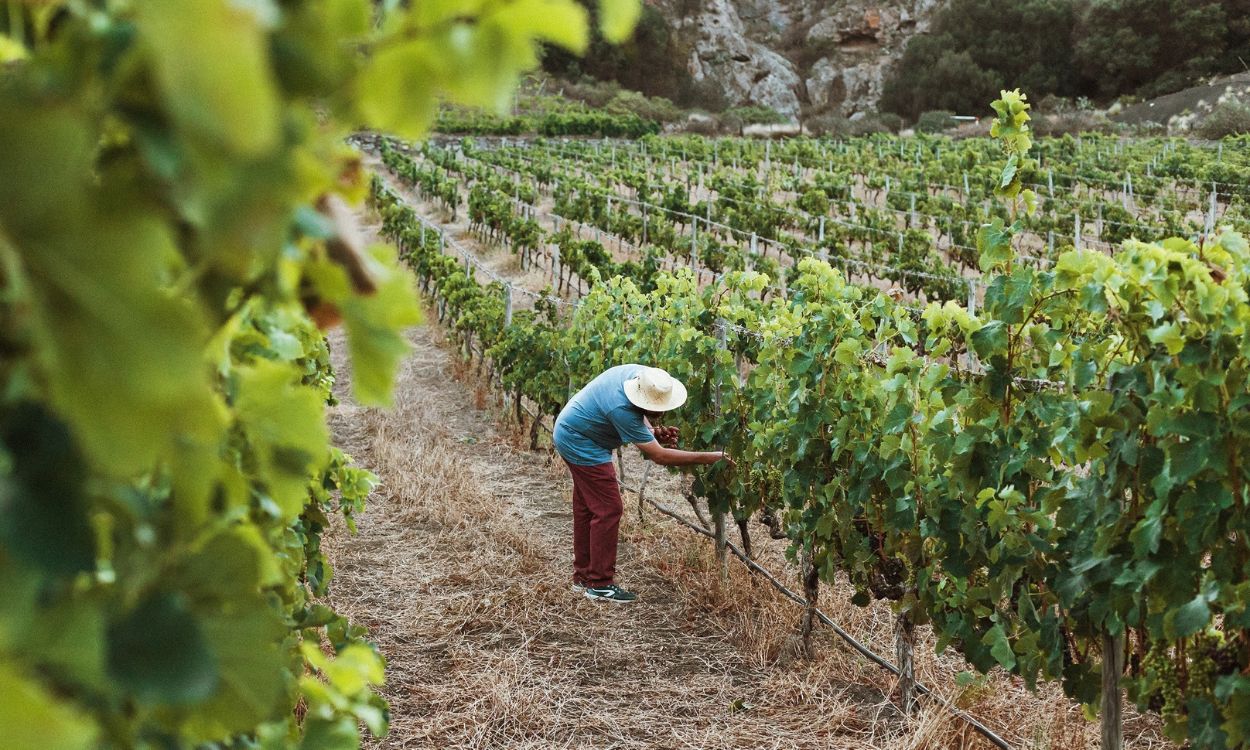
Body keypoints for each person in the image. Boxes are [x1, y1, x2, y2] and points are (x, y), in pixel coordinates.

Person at [552, 364, 731, 603]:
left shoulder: (643, 376)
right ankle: (600, 584)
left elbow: (638, 417)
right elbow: (660, 456)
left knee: (587, 507)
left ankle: (583, 577)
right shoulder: (621, 408)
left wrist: (651, 432)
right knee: (608, 508)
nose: (658, 411)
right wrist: (711, 457)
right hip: (580, 441)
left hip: (573, 429)